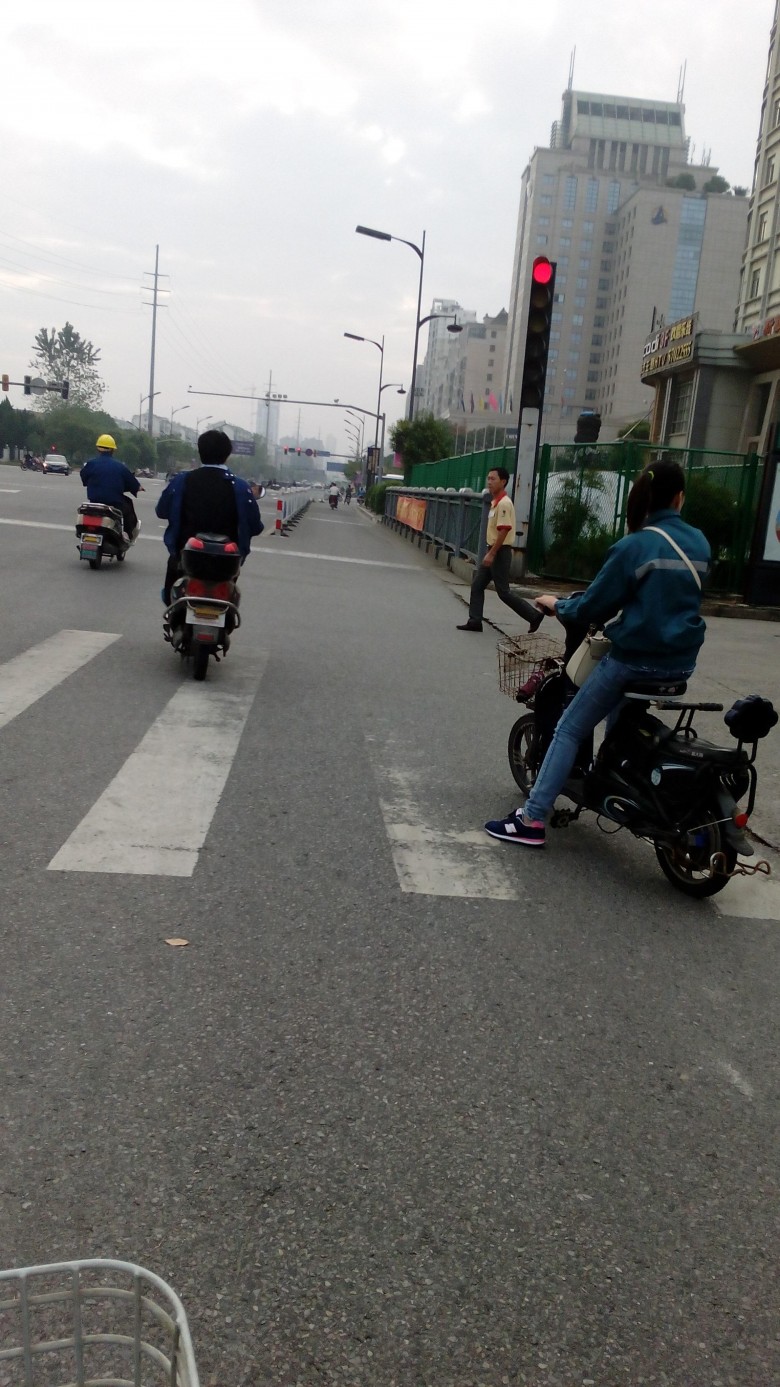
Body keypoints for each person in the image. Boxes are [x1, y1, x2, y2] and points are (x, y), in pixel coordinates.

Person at [484, 460, 711, 848]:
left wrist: (558, 605)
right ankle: (618, 782)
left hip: (634, 661)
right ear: (679, 498)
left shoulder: (634, 545)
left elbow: (593, 607)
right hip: (681, 663)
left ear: (644, 497)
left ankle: (532, 819)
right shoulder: (699, 543)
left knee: (569, 727)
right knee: (620, 717)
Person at [156, 429, 262, 603]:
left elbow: (161, 510)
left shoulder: (182, 481)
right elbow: (255, 526)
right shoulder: (240, 487)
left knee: (171, 598)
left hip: (185, 558)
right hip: (226, 564)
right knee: (228, 602)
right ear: (227, 455)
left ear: (200, 452)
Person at [457, 466, 544, 633]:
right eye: (488, 478)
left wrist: (492, 553)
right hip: (494, 550)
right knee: (477, 585)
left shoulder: (504, 504)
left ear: (503, 482)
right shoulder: (495, 502)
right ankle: (475, 621)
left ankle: (533, 615)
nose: (489, 482)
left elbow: (504, 530)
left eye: (493, 479)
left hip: (499, 552)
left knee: (503, 592)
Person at [80, 435, 141, 539]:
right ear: (113, 450)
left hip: (94, 502)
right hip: (114, 504)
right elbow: (132, 482)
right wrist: (138, 487)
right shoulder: (120, 466)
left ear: (98, 448)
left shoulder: (91, 464)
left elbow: (84, 478)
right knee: (128, 507)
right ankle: (128, 534)